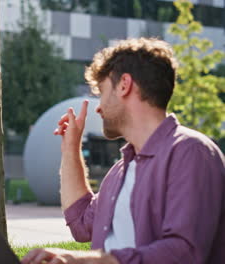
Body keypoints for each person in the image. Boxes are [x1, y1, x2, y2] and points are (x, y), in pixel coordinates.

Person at [21, 38, 224, 264]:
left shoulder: (192, 153)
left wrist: (91, 261)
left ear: (124, 85)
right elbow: (80, 224)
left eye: (102, 91)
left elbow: (184, 253)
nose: (98, 106)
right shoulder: (121, 170)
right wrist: (70, 148)